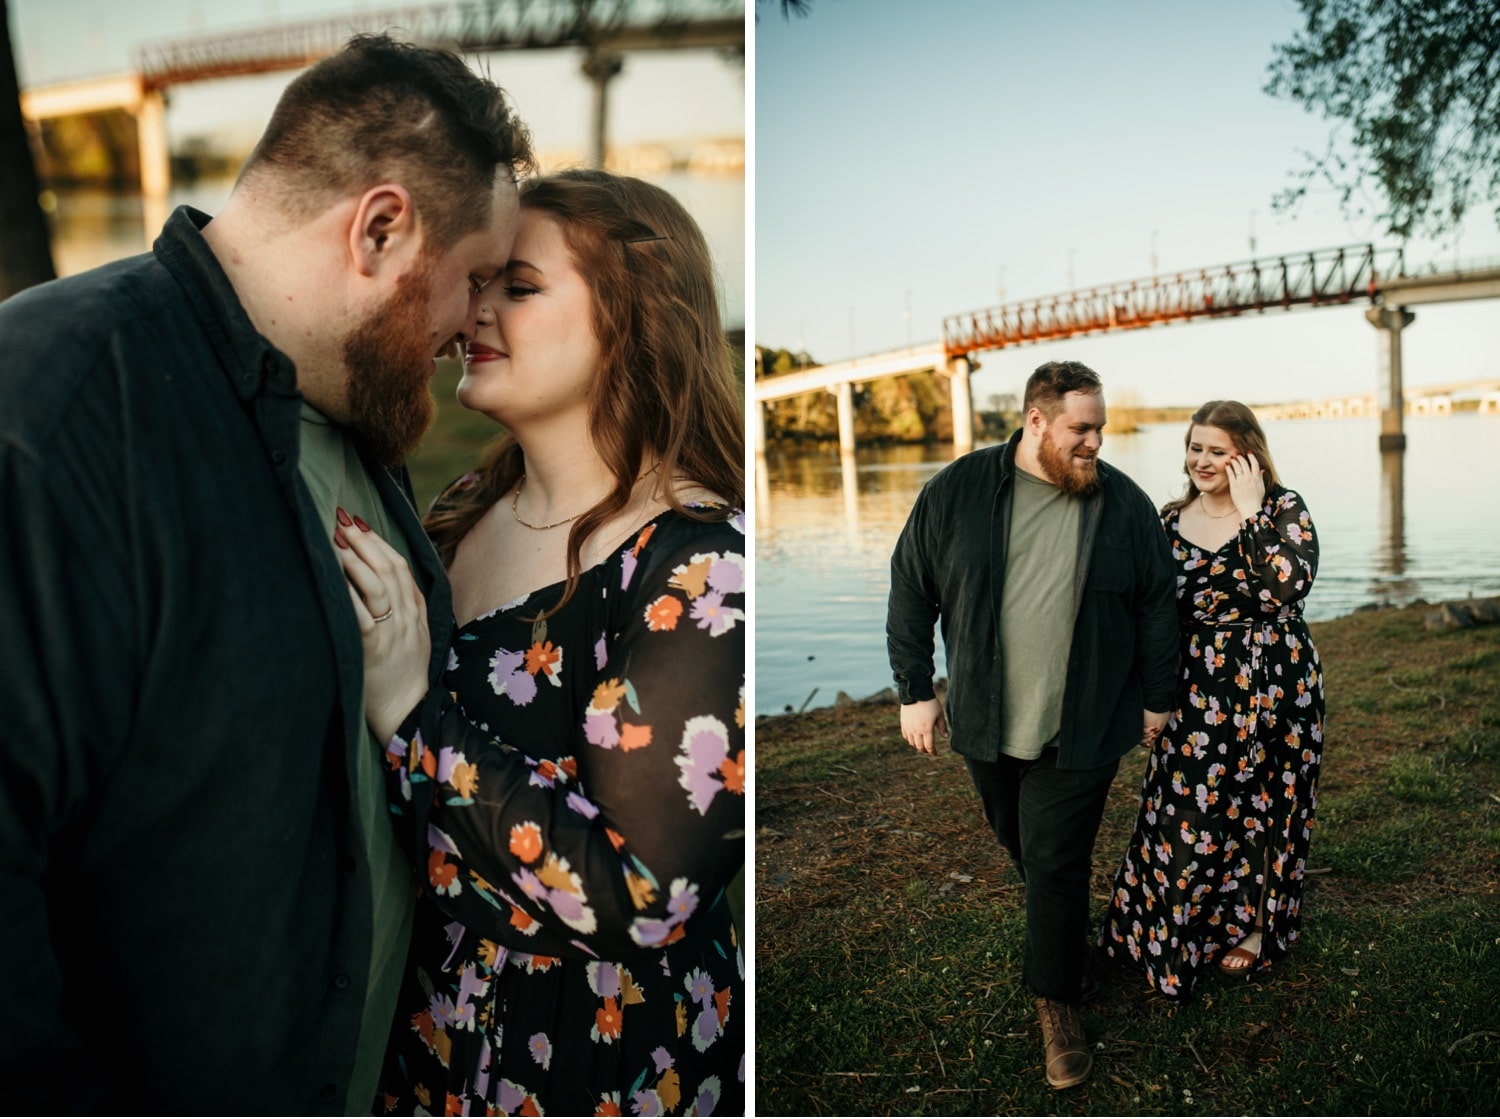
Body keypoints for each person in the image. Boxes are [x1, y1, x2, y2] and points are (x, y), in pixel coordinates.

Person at [0, 35, 532, 1114]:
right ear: (381, 229)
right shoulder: (51, 416)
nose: (472, 322)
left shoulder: (347, 416)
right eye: (472, 279)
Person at [331, 169, 745, 1116]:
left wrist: (411, 715)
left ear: (636, 317)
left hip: (591, 1054)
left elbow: (646, 898)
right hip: (424, 1018)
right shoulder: (457, 509)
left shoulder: (702, 572)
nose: (475, 308)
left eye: (518, 286)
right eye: (479, 281)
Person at [886, 359, 1178, 1090]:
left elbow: (1156, 603)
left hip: (1086, 720)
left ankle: (1058, 1004)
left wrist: (1157, 695)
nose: (1095, 443)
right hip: (985, 718)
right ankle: (1069, 929)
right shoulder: (957, 490)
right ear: (1037, 420)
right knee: (1025, 843)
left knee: (1053, 857)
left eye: (1102, 429)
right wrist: (915, 690)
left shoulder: (1125, 504)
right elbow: (910, 584)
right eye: (1082, 429)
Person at [1100, 400, 1323, 1002]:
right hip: (1199, 693)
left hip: (1281, 691)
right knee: (1183, 812)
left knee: (1270, 808)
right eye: (1195, 447)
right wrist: (1151, 696)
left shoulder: (1283, 509)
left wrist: (1251, 514)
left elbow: (1284, 590)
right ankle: (1170, 935)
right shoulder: (1170, 520)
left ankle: (1257, 928)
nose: (1201, 460)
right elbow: (1152, 617)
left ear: (1247, 454)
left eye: (1216, 450)